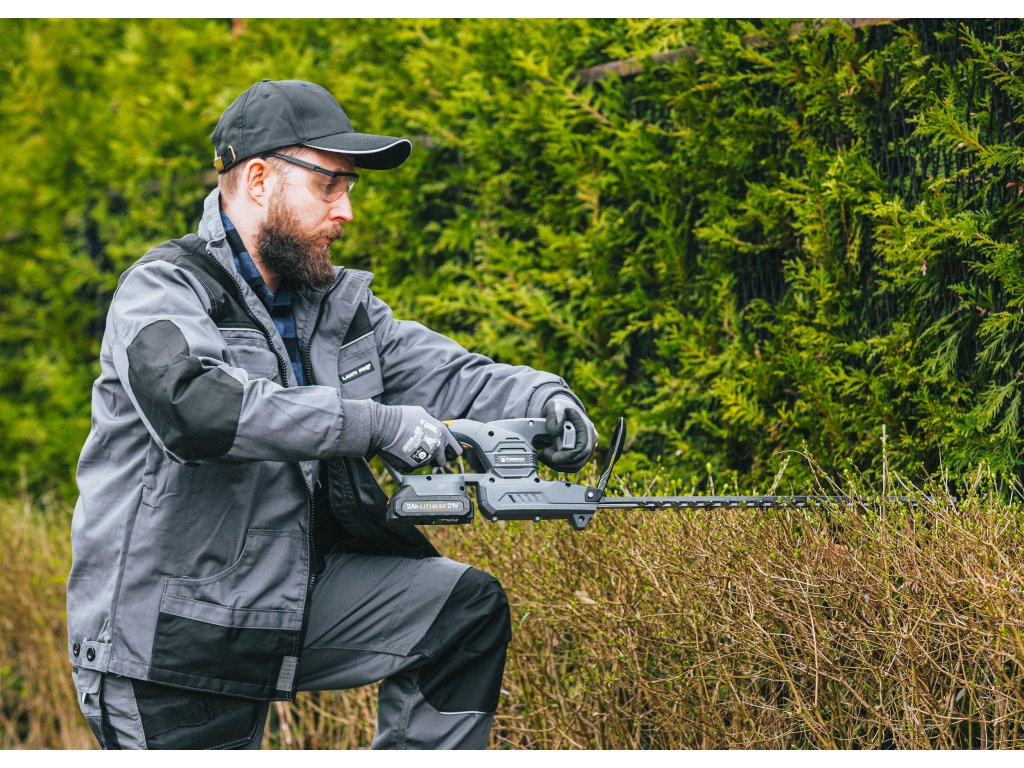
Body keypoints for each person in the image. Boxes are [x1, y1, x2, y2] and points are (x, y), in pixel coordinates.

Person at [66, 79, 598, 750]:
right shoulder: (163, 289)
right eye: (329, 185)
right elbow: (196, 410)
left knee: (460, 612)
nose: (346, 210)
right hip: (166, 639)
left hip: (279, 604)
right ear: (259, 180)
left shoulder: (335, 309)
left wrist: (544, 400)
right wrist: (377, 425)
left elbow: (449, 374)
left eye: (349, 188)